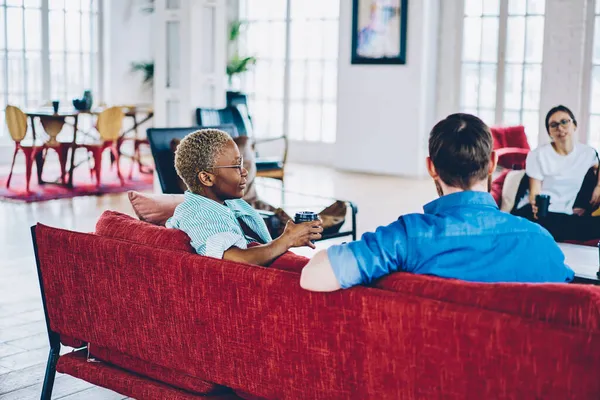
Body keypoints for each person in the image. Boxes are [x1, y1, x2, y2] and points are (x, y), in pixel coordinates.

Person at [300, 113, 574, 292]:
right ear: (492, 164)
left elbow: (311, 278)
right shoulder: (539, 240)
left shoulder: (406, 238)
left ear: (431, 168)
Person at [166, 129, 322, 266]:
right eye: (236, 166)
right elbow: (236, 260)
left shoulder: (231, 203)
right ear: (206, 178)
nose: (244, 171)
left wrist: (292, 234)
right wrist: (287, 239)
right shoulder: (197, 215)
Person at [514, 105, 600, 241]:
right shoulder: (538, 155)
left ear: (574, 125)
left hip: (565, 214)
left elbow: (597, 166)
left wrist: (598, 187)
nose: (560, 128)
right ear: (549, 132)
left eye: (564, 122)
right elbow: (534, 192)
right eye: (554, 125)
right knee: (545, 225)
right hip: (539, 212)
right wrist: (536, 205)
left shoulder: (587, 153)